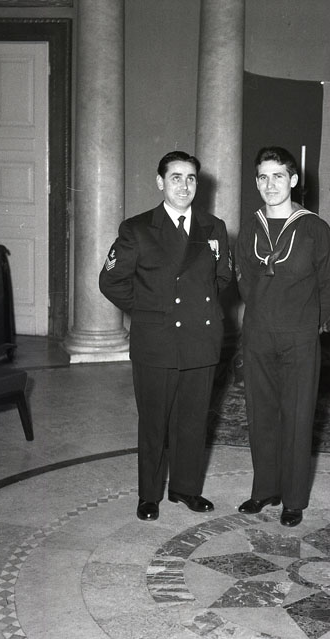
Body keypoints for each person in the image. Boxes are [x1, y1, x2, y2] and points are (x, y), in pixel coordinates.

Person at [99, 151, 232, 521]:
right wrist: (151, 311)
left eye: (191, 178)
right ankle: (149, 495)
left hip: (200, 339)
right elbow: (110, 281)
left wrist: (197, 310)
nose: (184, 186)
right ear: (160, 182)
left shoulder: (214, 227)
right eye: (176, 178)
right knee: (154, 422)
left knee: (193, 419)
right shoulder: (138, 228)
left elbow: (223, 276)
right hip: (156, 341)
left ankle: (186, 489)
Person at [234, 146, 330, 527]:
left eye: (278, 176)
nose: (270, 185)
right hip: (258, 334)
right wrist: (264, 313)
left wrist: (307, 321)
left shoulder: (313, 228)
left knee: (297, 415)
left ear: (293, 180)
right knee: (260, 412)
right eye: (263, 177)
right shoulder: (251, 227)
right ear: (256, 182)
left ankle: (294, 498)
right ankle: (265, 488)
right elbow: (244, 279)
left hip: (299, 336)